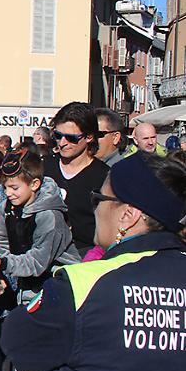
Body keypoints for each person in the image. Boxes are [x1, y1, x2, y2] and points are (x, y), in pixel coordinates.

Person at [2, 153, 186, 371]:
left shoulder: (84, 282)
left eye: (99, 199)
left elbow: (19, 343)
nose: (93, 209)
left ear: (128, 217)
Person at [0, 149, 80, 371]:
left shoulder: (49, 216)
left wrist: (3, 263)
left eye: (15, 187)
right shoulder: (7, 207)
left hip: (58, 280)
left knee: (40, 331)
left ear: (35, 184)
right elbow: (1, 241)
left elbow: (38, 261)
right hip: (28, 281)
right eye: (5, 188)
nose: (9, 193)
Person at [42, 102, 109, 256]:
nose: (63, 143)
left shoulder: (104, 176)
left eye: (71, 138)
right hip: (41, 258)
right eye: (58, 136)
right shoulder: (44, 167)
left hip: (83, 259)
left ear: (89, 137)